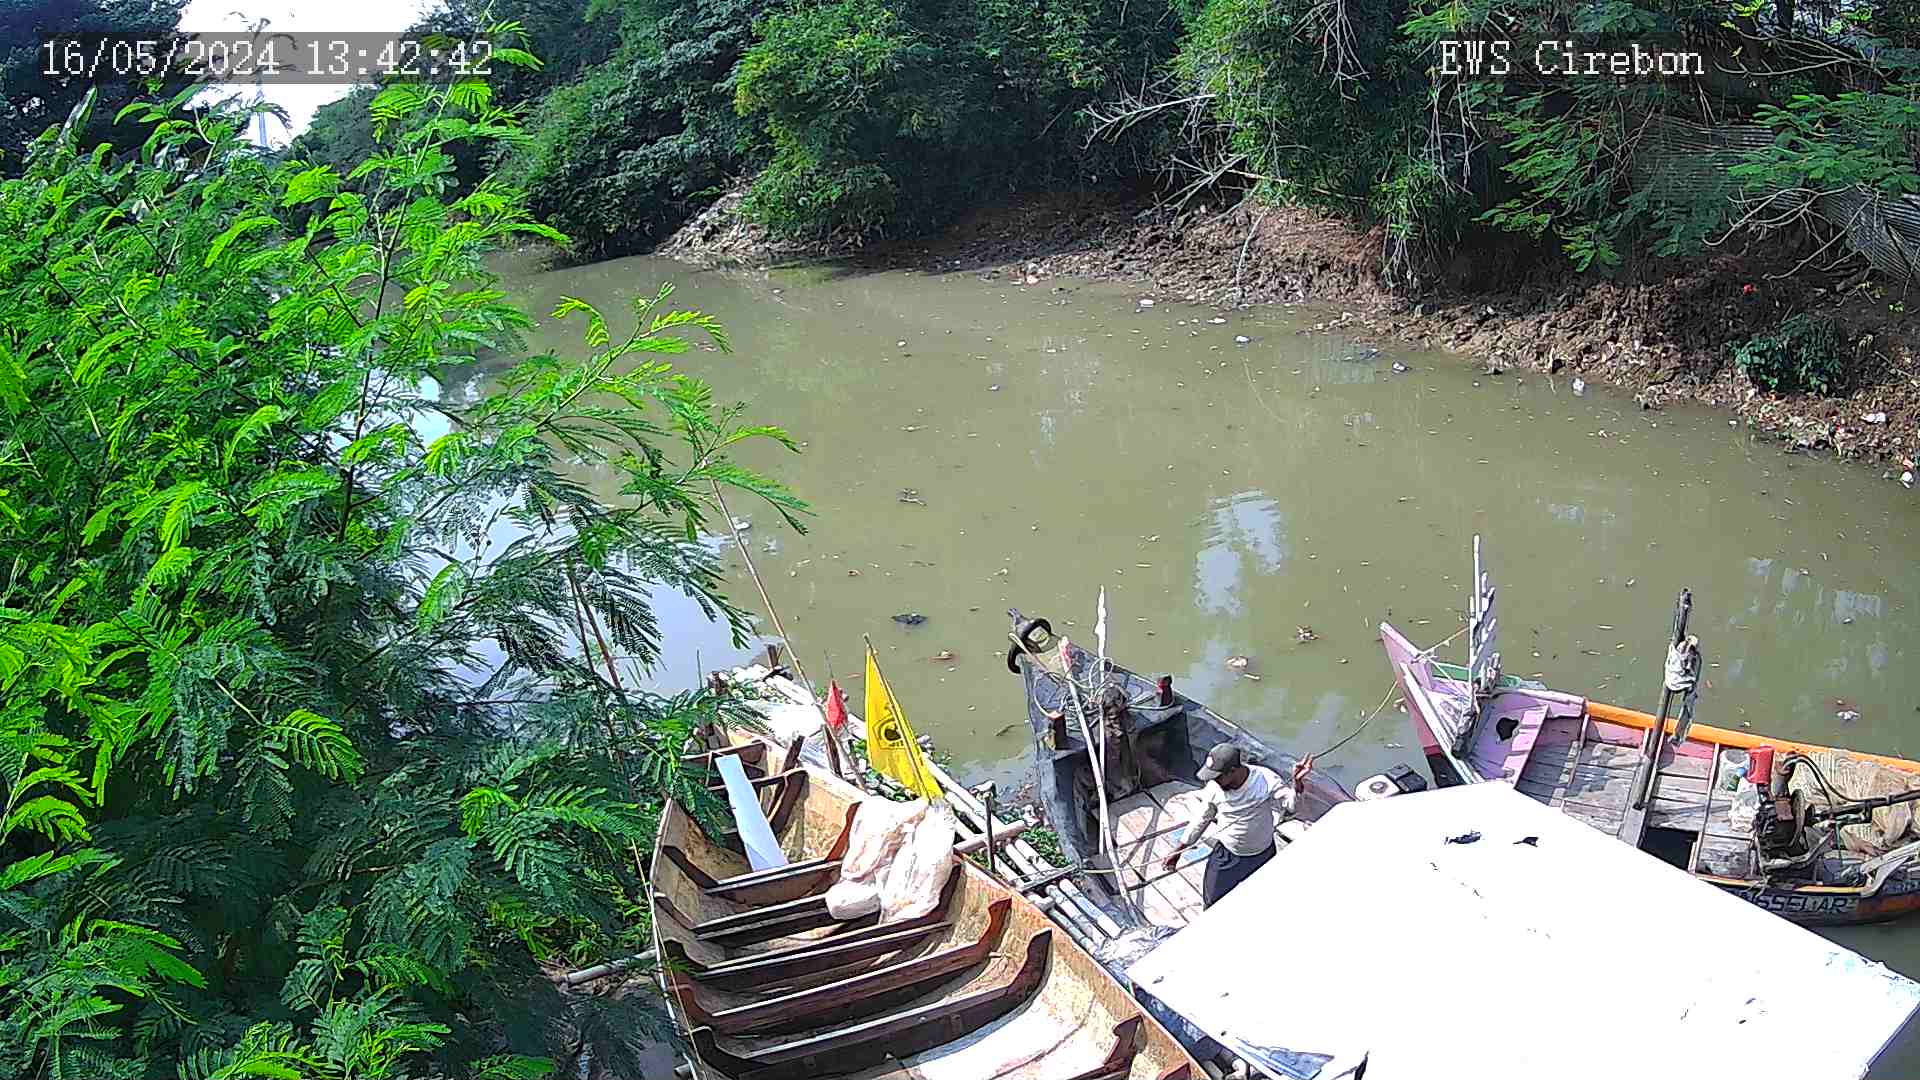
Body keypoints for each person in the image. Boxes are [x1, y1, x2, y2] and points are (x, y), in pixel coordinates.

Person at [1159, 744, 1314, 908]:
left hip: (1262, 854)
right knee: (1212, 902)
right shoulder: (1214, 788)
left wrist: (1297, 783)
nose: (1214, 781)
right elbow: (1201, 819)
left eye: (1218, 777)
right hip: (1227, 854)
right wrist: (1179, 850)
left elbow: (1292, 807)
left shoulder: (1265, 779)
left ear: (1232, 771)